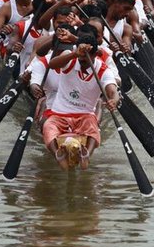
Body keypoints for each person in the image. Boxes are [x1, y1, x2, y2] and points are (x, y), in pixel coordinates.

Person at [43, 26, 119, 170]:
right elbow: (52, 64)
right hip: (60, 113)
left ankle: (86, 155)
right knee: (48, 126)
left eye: (86, 59)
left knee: (93, 127)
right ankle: (58, 154)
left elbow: (113, 91)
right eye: (81, 58)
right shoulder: (70, 58)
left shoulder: (103, 70)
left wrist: (113, 101)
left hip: (85, 115)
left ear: (95, 54)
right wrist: (74, 54)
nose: (82, 61)